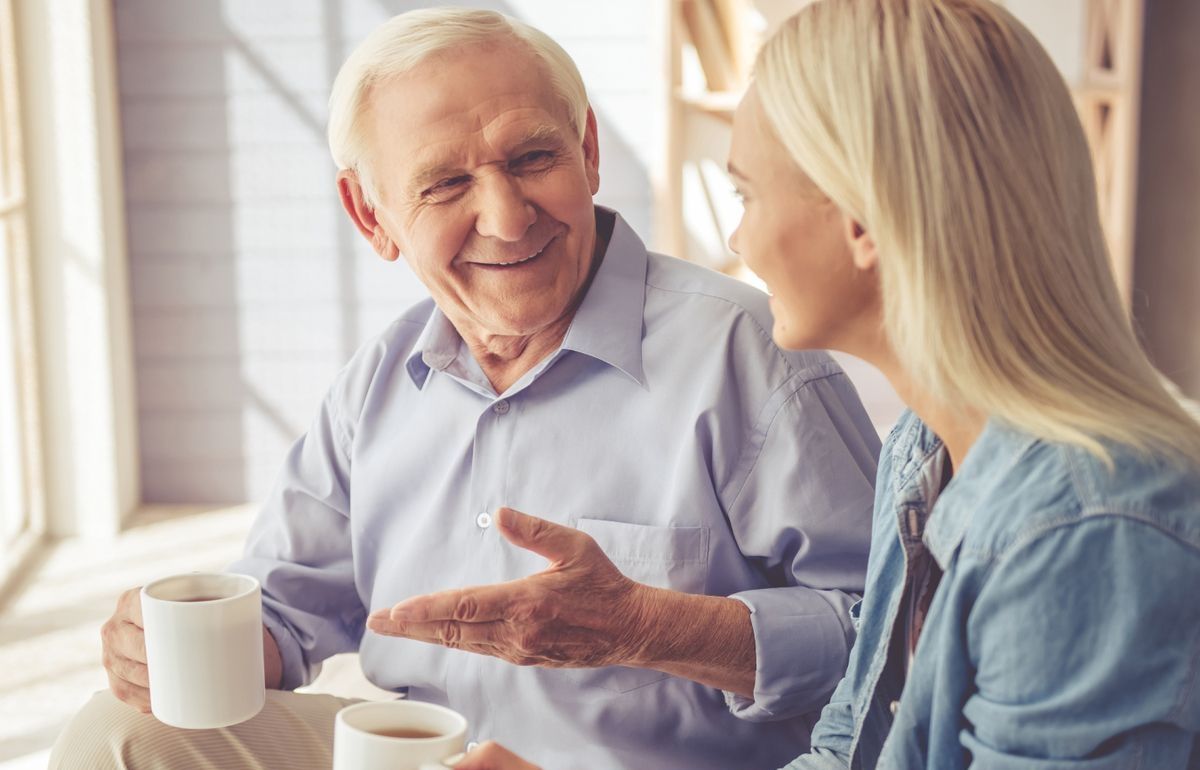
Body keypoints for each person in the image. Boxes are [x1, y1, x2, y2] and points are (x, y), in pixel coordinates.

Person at [49, 8, 882, 770]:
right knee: (117, 736)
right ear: (370, 216)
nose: (508, 217)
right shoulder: (378, 381)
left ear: (587, 151)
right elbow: (287, 612)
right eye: (446, 184)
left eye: (532, 158)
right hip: (420, 754)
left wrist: (646, 626)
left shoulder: (754, 356)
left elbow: (895, 639)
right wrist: (172, 648)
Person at [446, 0, 1200, 768]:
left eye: (747, 194)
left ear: (863, 219)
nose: (738, 238)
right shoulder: (924, 449)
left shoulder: (1084, 531)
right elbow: (850, 746)